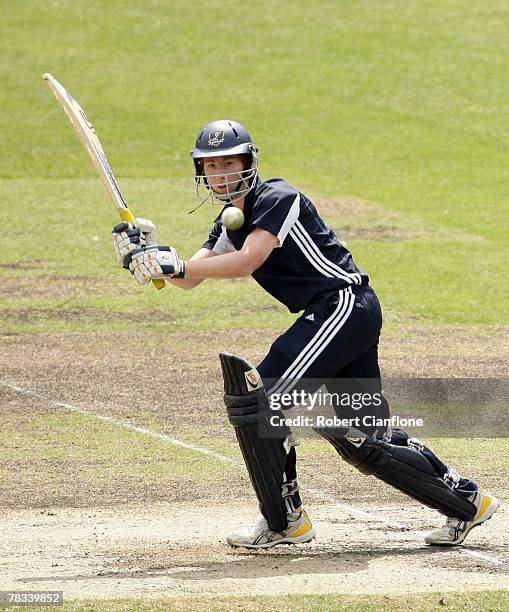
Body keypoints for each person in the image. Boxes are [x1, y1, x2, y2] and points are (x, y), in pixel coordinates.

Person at [112, 119, 499, 549]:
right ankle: (467, 502)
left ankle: (285, 521)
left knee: (262, 399)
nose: (221, 173)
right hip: (346, 312)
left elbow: (246, 262)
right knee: (363, 437)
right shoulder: (229, 222)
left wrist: (176, 265)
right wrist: (146, 254)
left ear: (248, 162)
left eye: (229, 162)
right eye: (212, 166)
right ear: (201, 173)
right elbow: (188, 279)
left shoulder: (278, 197)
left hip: (342, 304)